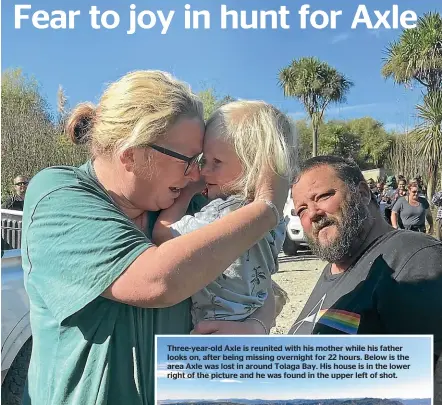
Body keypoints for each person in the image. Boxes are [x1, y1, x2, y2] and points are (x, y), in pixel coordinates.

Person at [21, 71, 290, 405]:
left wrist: (258, 326)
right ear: (131, 154)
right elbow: (155, 281)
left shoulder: (191, 205)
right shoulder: (59, 194)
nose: (197, 175)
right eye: (189, 160)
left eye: (203, 161)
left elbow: (255, 278)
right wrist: (266, 210)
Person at [287, 156, 441, 401]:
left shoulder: (413, 258)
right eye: (302, 210)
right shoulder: (336, 271)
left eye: (323, 197)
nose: (313, 214)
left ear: (362, 193)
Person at [152, 100, 296, 325]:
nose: (204, 171)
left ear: (253, 166)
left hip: (213, 328)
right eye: (204, 161)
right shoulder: (274, 220)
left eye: (216, 162)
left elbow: (163, 236)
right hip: (249, 318)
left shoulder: (224, 212)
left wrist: (187, 192)